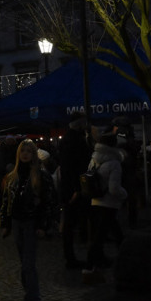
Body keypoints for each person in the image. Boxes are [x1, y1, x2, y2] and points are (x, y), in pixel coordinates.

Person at [0, 139, 57, 301]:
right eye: (22, 151)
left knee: (28, 265)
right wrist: (6, 224)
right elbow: (7, 201)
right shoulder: (13, 176)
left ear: (33, 154)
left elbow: (48, 202)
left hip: (31, 222)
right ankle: (29, 299)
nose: (25, 154)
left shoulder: (40, 175)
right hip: (18, 222)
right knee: (24, 264)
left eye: (29, 151)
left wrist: (42, 225)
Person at [86, 130, 128, 271]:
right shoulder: (114, 163)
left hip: (95, 201)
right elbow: (114, 188)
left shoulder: (93, 159)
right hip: (109, 203)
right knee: (101, 236)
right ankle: (90, 265)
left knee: (107, 233)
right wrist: (125, 194)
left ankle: (102, 260)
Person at [57, 112, 91, 269]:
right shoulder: (73, 141)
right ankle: (70, 258)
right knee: (71, 223)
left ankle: (71, 256)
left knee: (72, 222)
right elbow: (71, 168)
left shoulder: (71, 139)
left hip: (73, 187)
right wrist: (76, 189)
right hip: (73, 188)